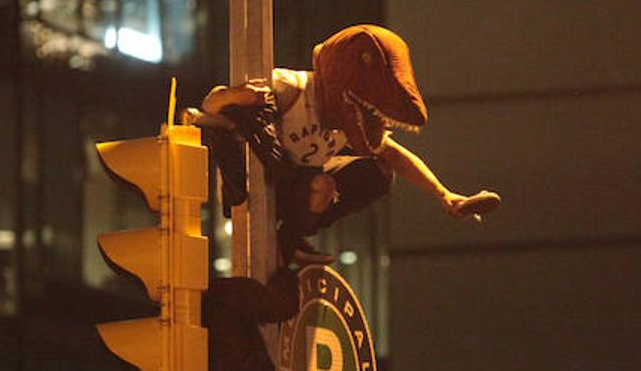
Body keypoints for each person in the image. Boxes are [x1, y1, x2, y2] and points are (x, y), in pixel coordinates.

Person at [201, 23, 500, 262]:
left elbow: (396, 156)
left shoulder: (348, 122)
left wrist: (444, 195)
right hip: (250, 179)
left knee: (374, 173)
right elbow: (211, 105)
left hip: (295, 186)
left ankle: (290, 239)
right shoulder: (290, 89)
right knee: (320, 183)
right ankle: (289, 241)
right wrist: (236, 96)